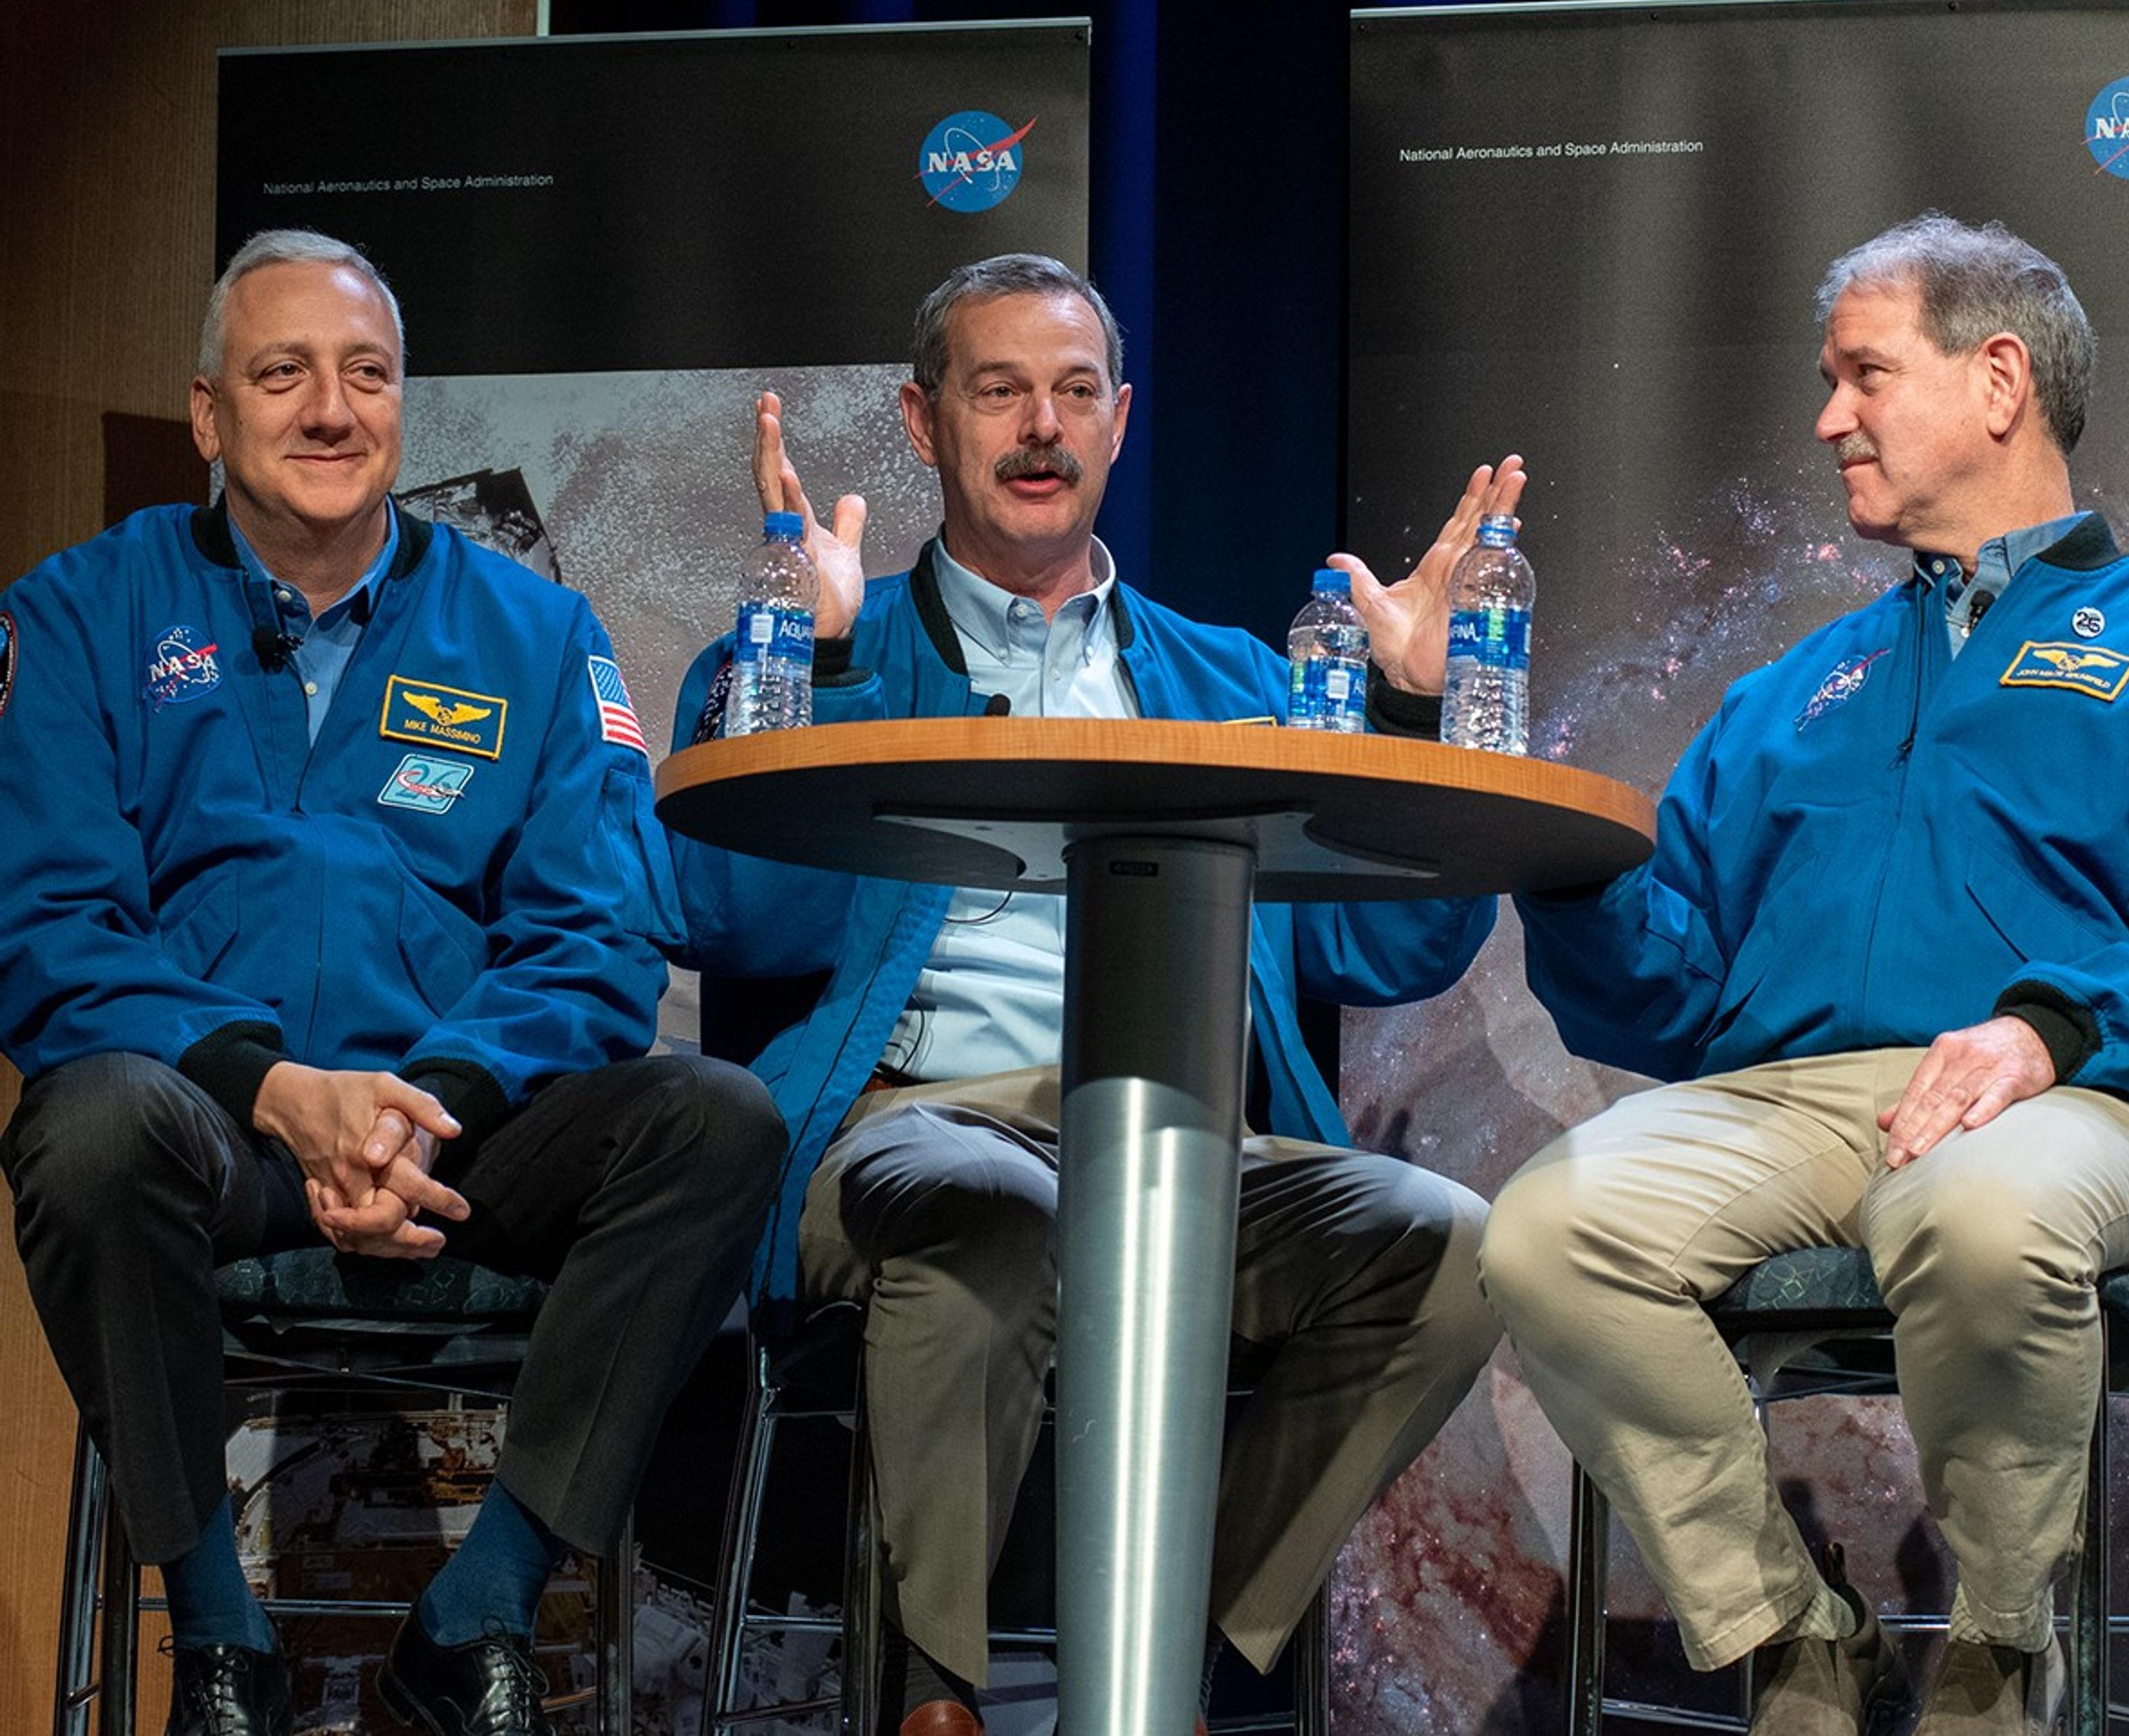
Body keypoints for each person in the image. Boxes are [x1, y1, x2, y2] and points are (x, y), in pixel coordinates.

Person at [1479, 211, 2129, 1735]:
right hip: (1797, 1109)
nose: (1826, 418)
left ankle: (2003, 1645)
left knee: (1974, 1205)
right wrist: (1571, 874)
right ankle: (1791, 1632)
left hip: (2084, 1102)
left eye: (1863, 373)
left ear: (1999, 380)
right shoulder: (1796, 690)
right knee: (1546, 1230)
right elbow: (1669, 1002)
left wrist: (2050, 1031)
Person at [670, 252, 1510, 1736]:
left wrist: (1409, 718)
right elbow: (726, 910)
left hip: (1179, 1148)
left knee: (1449, 1247)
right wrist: (825, 655)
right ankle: (937, 1699)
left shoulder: (1240, 680)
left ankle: (1165, 1673)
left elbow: (1392, 953)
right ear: (926, 428)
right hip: (914, 1129)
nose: (1041, 427)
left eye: (1073, 394)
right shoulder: (831, 638)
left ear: (1121, 422)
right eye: (999, 392)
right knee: (987, 1201)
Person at [0, 229, 783, 1736]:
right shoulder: (83, 611)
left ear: (403, 407)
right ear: (209, 417)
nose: (330, 409)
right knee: (85, 1126)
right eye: (281, 373)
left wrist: (432, 1104)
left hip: (457, 1136)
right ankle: (220, 1646)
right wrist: (278, 1092)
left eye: (367, 374)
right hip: (210, 1131)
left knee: (721, 1121)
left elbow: (599, 935)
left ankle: (474, 1612)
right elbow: (49, 931)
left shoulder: (538, 636)